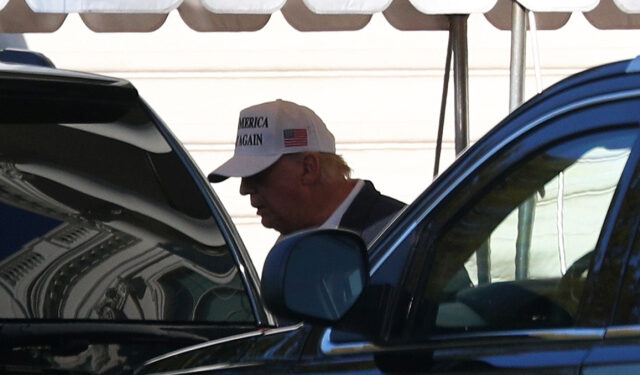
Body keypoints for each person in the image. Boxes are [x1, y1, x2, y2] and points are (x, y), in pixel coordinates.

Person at [208, 99, 405, 245]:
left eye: (257, 174)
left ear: (308, 169)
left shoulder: (400, 235)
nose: (244, 188)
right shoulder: (294, 240)